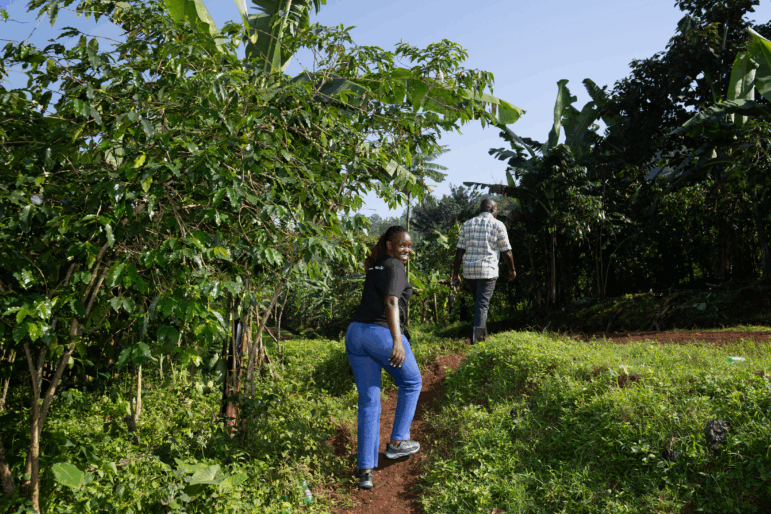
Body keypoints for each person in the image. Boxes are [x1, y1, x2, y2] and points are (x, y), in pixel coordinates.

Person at [345, 226, 423, 490]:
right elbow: (391, 302)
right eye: (402, 245)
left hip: (355, 333)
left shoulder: (376, 265)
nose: (407, 250)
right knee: (412, 382)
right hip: (380, 334)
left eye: (410, 246)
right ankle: (398, 442)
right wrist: (397, 340)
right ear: (389, 244)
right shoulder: (394, 266)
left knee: (369, 401)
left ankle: (365, 469)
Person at [451, 199, 516, 344]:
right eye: (497, 209)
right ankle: (477, 342)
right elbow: (506, 251)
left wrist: (455, 274)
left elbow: (459, 251)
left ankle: (483, 337)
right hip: (487, 271)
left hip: (469, 272)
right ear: (492, 209)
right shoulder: (497, 224)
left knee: (480, 304)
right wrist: (512, 269)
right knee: (482, 305)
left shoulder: (467, 224)